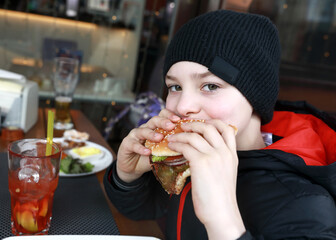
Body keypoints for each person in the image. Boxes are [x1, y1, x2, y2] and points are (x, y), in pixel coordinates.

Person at [103, 10, 336, 240]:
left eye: (211, 86)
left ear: (255, 97)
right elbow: (144, 209)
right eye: (175, 87)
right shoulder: (190, 155)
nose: (183, 106)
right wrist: (127, 178)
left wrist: (222, 220)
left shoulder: (306, 204)